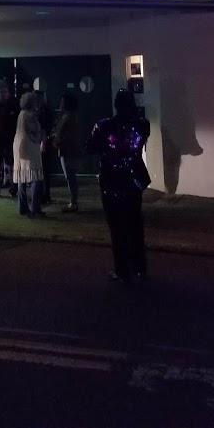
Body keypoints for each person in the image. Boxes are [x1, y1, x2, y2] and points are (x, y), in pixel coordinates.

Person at [87, 88, 151, 284]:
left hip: (112, 179)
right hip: (133, 180)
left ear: (116, 104)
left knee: (117, 227)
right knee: (135, 223)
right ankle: (139, 267)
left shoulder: (103, 126)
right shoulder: (142, 124)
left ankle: (122, 270)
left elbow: (90, 147)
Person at [13, 92, 45, 217]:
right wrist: (40, 137)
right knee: (36, 177)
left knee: (22, 177)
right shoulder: (30, 115)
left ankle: (23, 207)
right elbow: (33, 131)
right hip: (30, 147)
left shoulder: (21, 114)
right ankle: (35, 208)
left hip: (19, 146)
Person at [0, 81, 18, 197]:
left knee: (12, 165)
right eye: (1, 92)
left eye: (5, 92)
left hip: (10, 140)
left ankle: (13, 187)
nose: (3, 94)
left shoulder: (13, 106)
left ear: (8, 93)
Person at [52, 92, 80, 212]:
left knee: (70, 176)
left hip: (67, 149)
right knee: (70, 176)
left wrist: (57, 141)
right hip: (68, 149)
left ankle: (73, 202)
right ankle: (73, 201)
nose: (60, 104)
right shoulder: (70, 116)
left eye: (62, 102)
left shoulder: (68, 117)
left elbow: (65, 134)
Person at [36, 88, 56, 205]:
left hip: (42, 143)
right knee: (44, 170)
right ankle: (45, 194)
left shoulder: (43, 112)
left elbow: (44, 128)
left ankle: (44, 194)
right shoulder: (46, 110)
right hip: (44, 142)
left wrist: (43, 141)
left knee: (43, 169)